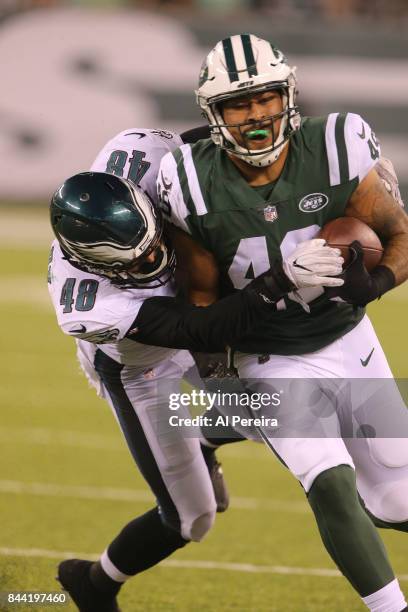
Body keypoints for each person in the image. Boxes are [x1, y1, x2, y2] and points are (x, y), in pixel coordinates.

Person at [157, 34, 408, 612]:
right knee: (330, 482)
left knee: (395, 499)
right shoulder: (192, 183)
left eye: (266, 98)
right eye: (238, 104)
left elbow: (398, 238)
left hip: (349, 338)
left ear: (288, 94)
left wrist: (376, 283)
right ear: (213, 114)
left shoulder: (337, 146)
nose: (257, 115)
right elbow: (199, 301)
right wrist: (222, 373)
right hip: (264, 354)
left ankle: (210, 430)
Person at [48, 129, 344, 611]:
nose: (155, 258)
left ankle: (206, 435)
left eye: (152, 241)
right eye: (139, 260)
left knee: (281, 412)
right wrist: (280, 280)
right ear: (93, 264)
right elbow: (202, 331)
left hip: (198, 316)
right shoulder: (87, 304)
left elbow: (212, 141)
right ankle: (94, 583)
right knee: (194, 518)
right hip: (143, 367)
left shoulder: (138, 157)